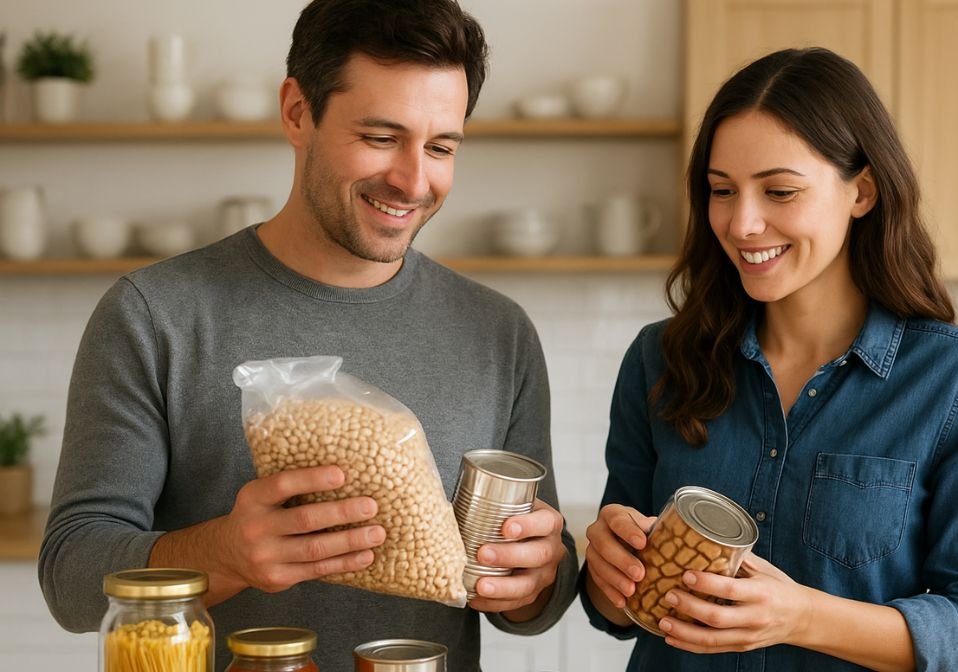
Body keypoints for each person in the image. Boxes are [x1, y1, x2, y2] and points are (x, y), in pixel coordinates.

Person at [39, 1, 578, 669]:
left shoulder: (498, 332)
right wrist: (224, 554)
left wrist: (536, 574)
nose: (414, 180)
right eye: (381, 137)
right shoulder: (155, 315)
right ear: (297, 112)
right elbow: (70, 577)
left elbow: (536, 604)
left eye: (440, 146)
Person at [579, 47, 958, 671]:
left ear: (861, 191)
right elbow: (615, 611)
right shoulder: (661, 359)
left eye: (779, 191)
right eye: (721, 190)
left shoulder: (956, 378)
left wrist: (801, 616)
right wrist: (608, 570)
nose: (742, 223)